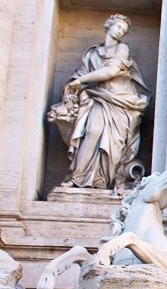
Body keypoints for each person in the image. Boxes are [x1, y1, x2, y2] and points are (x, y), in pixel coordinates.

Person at [59, 14, 150, 189]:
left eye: (124, 30)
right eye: (118, 27)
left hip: (121, 101)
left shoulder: (122, 48)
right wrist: (74, 85)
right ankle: (78, 177)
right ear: (108, 25)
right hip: (98, 97)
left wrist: (80, 81)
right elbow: (80, 74)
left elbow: (111, 71)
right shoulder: (92, 53)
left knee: (114, 142)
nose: (120, 31)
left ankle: (102, 180)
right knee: (92, 131)